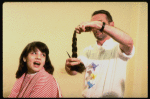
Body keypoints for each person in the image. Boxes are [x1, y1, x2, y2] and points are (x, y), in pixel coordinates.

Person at [65, 10, 135, 98]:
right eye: (93, 24)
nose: (95, 27)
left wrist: (98, 25)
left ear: (111, 25)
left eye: (100, 23)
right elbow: (74, 72)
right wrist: (69, 66)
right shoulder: (87, 50)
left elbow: (129, 42)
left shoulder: (119, 47)